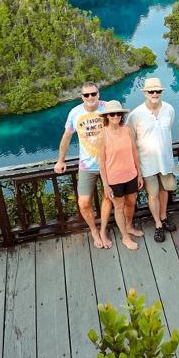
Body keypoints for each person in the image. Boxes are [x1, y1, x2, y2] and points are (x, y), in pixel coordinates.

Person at [54, 81, 111, 249]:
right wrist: (60, 160)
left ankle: (103, 230)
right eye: (86, 95)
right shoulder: (75, 113)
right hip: (87, 165)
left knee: (109, 197)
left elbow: (120, 131)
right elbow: (66, 137)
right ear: (82, 97)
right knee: (84, 203)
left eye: (93, 93)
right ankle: (93, 230)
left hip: (108, 164)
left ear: (98, 94)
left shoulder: (108, 108)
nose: (90, 97)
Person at [128, 75, 177, 242]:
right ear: (145, 93)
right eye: (151, 91)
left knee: (164, 190)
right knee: (153, 194)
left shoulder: (169, 109)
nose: (154, 94)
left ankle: (163, 217)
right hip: (147, 163)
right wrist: (137, 170)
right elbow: (132, 141)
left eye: (157, 91)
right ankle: (157, 224)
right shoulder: (135, 115)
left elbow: (167, 129)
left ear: (161, 92)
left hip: (165, 160)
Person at [94, 100, 145, 252]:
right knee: (119, 207)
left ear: (122, 115)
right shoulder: (103, 135)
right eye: (112, 114)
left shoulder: (127, 130)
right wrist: (105, 184)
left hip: (131, 175)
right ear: (107, 116)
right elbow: (101, 163)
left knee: (131, 202)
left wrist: (139, 174)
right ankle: (125, 237)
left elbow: (135, 153)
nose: (115, 116)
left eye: (118, 113)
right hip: (114, 179)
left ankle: (129, 226)